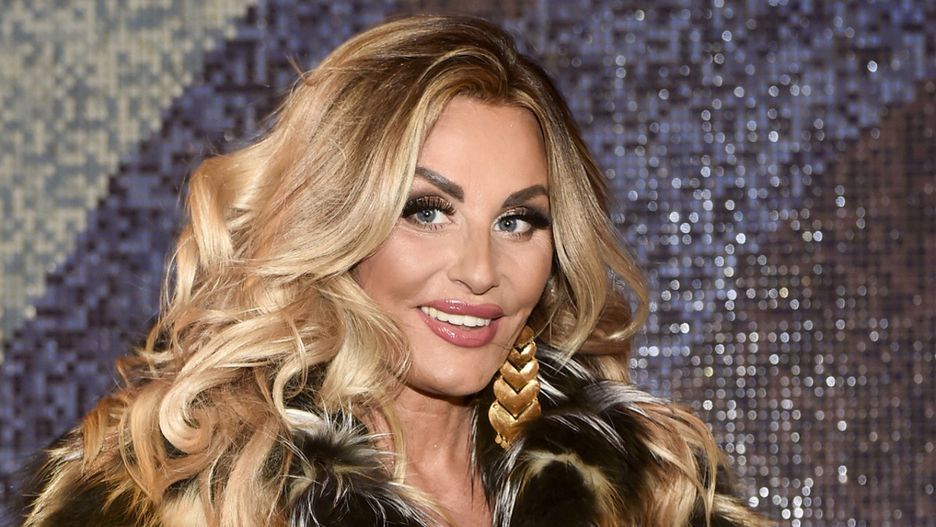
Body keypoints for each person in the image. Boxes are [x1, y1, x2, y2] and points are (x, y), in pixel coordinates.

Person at [19, 15, 770, 527]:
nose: (480, 270)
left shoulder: (653, 488)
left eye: (517, 220)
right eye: (427, 210)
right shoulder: (186, 495)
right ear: (339, 222)